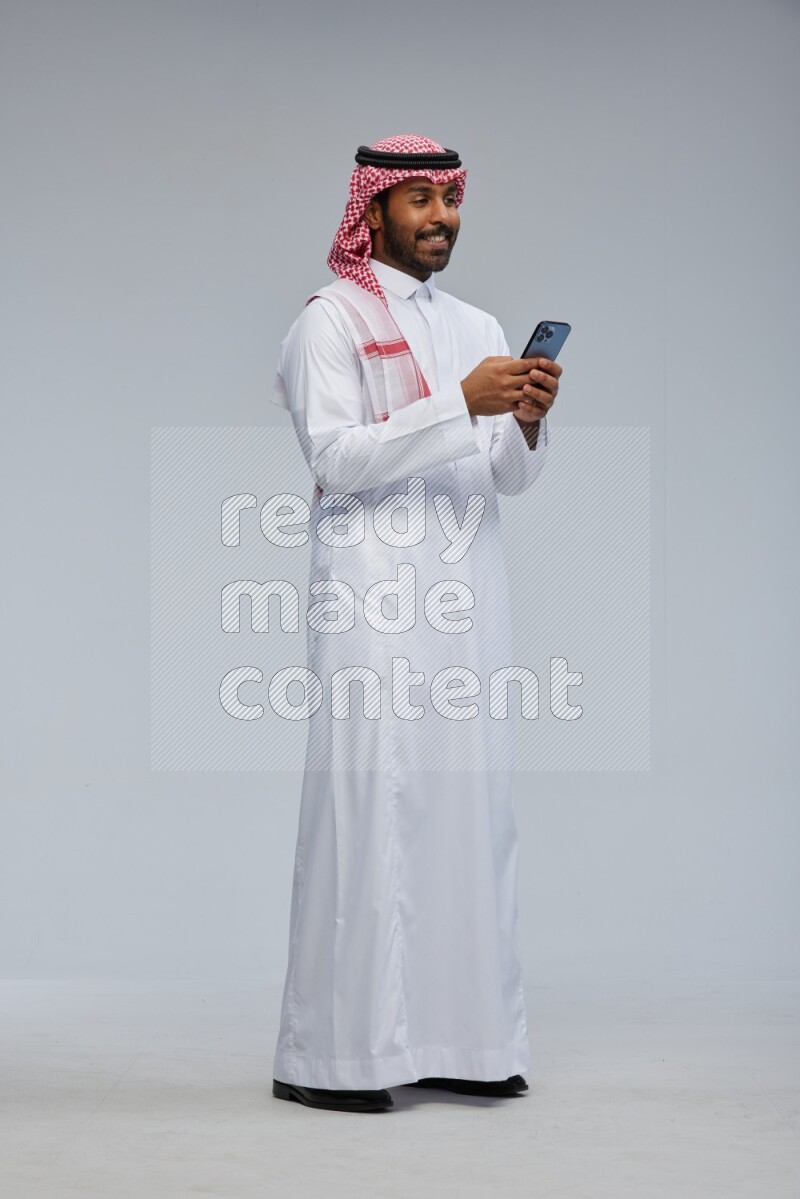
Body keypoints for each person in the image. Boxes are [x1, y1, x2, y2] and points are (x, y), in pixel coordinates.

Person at [268, 134, 561, 1113]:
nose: (442, 217)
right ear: (375, 209)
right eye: (421, 199)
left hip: (465, 601)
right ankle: (333, 1057)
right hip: (369, 600)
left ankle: (464, 1042)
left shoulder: (477, 323)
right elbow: (335, 457)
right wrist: (458, 402)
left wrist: (523, 418)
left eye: (451, 198)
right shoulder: (329, 320)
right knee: (366, 813)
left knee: (467, 816)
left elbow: (502, 474)